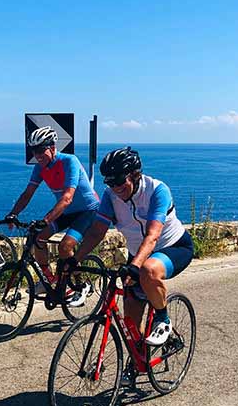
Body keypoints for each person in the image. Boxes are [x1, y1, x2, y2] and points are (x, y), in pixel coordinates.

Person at [71, 146, 193, 346]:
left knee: (149, 270)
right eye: (110, 182)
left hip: (173, 247)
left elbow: (153, 236)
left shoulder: (156, 190)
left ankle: (163, 319)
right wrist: (75, 260)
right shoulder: (110, 196)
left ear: (135, 175)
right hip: (137, 255)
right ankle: (137, 363)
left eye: (119, 180)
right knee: (130, 323)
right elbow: (96, 232)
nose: (115, 187)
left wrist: (135, 266)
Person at [5, 126, 100, 300]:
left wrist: (46, 219)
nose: (38, 155)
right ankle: (50, 280)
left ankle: (81, 285)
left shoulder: (69, 161)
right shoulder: (40, 167)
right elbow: (27, 194)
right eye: (35, 151)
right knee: (38, 237)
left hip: (87, 210)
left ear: (53, 148)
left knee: (65, 246)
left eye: (42, 150)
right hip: (66, 211)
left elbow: (67, 198)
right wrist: (13, 214)